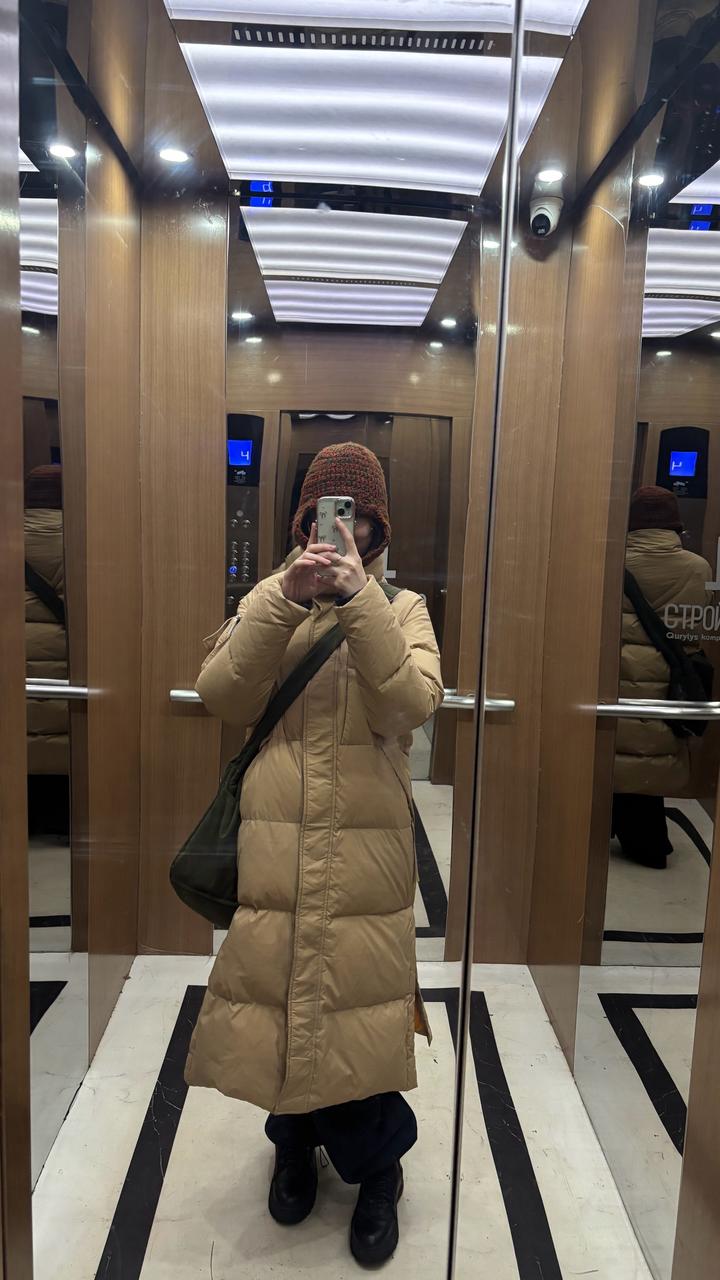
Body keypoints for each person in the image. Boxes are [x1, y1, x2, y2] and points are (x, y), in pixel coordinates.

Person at [186, 442, 444, 1265]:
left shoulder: (403, 607)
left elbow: (408, 705)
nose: (342, 530)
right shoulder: (271, 597)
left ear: (377, 526)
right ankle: (292, 1141)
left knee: (356, 1002)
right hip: (275, 836)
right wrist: (281, 599)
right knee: (280, 994)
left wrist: (360, 600)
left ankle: (378, 1166)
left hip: (367, 841)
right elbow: (221, 695)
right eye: (328, 513)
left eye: (357, 516)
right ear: (304, 521)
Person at [612, 485, 713, 869]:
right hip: (668, 682)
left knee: (610, 752)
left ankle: (596, 829)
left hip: (615, 677)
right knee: (648, 758)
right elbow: (694, 629)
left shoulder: (611, 564)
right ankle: (647, 844)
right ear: (675, 523)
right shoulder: (698, 567)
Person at [24, 463, 69, 836]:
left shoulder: (9, 536)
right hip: (66, 663)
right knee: (63, 733)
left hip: (17, 666)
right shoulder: (84, 540)